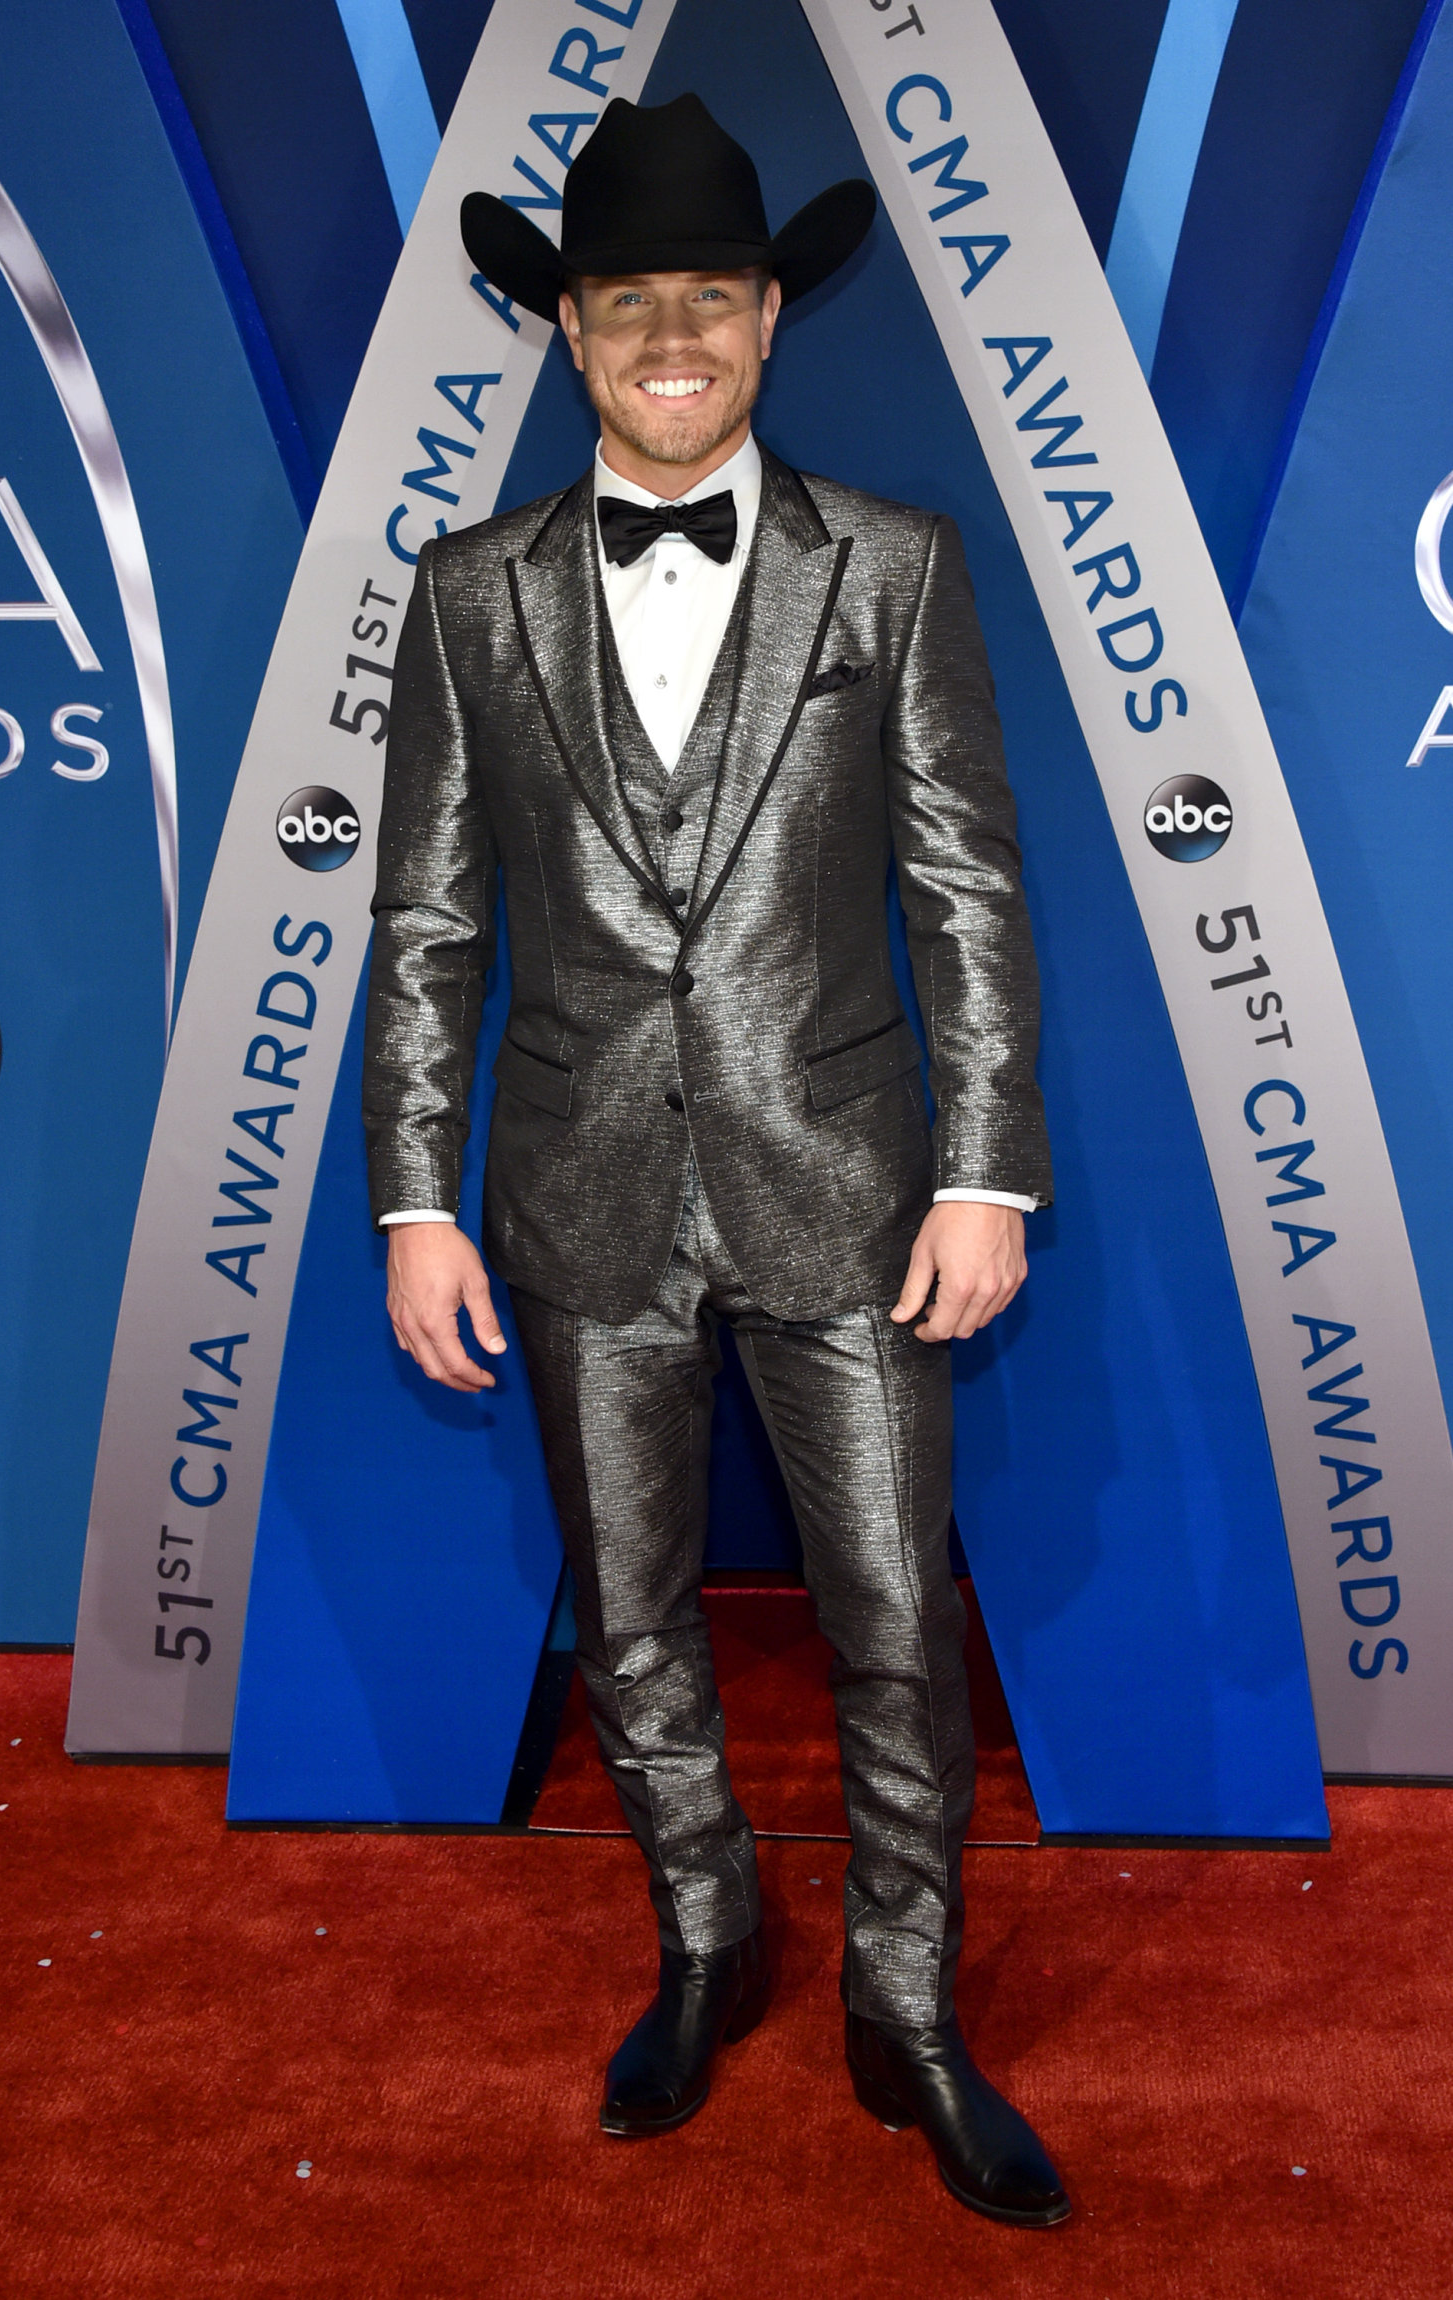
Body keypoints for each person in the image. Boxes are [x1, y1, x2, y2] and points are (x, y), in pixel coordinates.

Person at [364, 94, 1067, 2228]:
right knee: (633, 1614)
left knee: (885, 1621)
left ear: (766, 322)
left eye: (709, 299)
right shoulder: (468, 589)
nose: (670, 335)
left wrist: (985, 1168)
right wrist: (410, 1198)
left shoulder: (894, 560)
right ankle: (702, 1941)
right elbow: (423, 923)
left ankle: (905, 2002)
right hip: (571, 1194)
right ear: (571, 334)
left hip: (848, 1185)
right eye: (624, 304)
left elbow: (964, 889)